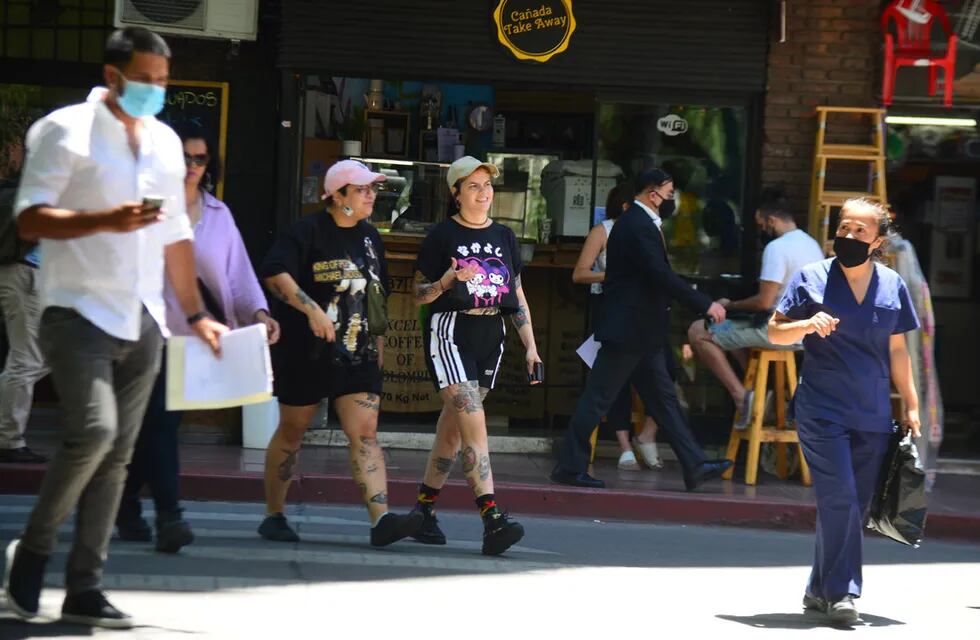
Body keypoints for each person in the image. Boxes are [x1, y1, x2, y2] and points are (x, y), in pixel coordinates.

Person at [2, 27, 227, 629]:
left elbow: (176, 236)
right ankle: (33, 553)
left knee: (116, 461)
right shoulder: (63, 130)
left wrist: (198, 314)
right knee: (93, 434)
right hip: (75, 309)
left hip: (144, 316)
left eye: (163, 80)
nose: (157, 90)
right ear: (113, 76)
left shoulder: (164, 143)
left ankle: (85, 586)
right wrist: (107, 218)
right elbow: (29, 220)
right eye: (146, 79)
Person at [116, 125, 280, 553]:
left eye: (200, 158)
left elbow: (238, 275)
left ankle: (127, 503)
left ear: (210, 165)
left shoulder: (219, 215)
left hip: (195, 338)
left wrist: (259, 313)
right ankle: (169, 515)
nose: (191, 166)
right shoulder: (150, 208)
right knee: (160, 423)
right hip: (144, 330)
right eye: (183, 158)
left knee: (155, 424)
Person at [768, 197, 920, 624]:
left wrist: (911, 404)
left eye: (860, 231)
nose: (849, 236)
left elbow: (897, 350)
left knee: (855, 503)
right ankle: (842, 594)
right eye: (844, 227)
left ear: (878, 240)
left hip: (871, 411)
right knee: (840, 498)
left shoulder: (892, 285)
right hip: (821, 407)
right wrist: (804, 324)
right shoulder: (810, 278)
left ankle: (818, 588)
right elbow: (774, 332)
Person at [257, 159, 421, 547]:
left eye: (373, 190)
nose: (371, 196)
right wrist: (311, 309)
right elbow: (275, 272)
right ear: (338, 195)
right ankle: (274, 515)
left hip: (358, 353)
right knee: (292, 432)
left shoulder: (370, 237)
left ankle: (382, 520)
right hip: (306, 352)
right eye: (363, 190)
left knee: (365, 434)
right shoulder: (306, 231)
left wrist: (378, 344)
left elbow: (377, 295)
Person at [551, 168, 733, 490]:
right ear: (653, 194)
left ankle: (695, 465)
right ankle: (570, 466)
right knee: (598, 398)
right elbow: (659, 275)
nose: (672, 199)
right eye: (670, 193)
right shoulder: (637, 226)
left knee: (663, 400)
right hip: (628, 329)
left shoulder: (638, 223)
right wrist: (704, 303)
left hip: (640, 330)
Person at [410, 156, 541, 555]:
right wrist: (447, 281)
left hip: (492, 333)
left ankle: (423, 510)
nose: (484, 193)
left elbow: (516, 294)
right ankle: (492, 516)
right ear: (456, 194)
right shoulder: (441, 235)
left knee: (454, 429)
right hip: (452, 328)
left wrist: (530, 345)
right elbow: (418, 293)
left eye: (487, 186)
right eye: (473, 186)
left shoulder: (504, 236)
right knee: (474, 423)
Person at [687, 188, 824, 428]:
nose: (761, 231)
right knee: (732, 329)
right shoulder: (812, 245)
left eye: (762, 225)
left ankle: (742, 397)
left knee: (698, 330)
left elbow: (764, 302)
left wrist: (730, 305)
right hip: (804, 333)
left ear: (771, 221)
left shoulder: (777, 248)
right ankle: (764, 394)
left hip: (777, 331)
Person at [572, 183, 661, 470]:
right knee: (614, 382)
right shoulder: (604, 231)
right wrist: (612, 276)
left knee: (665, 376)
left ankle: (648, 435)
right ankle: (624, 447)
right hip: (612, 310)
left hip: (646, 313)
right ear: (626, 207)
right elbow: (580, 274)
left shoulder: (652, 231)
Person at [0, 109, 49, 464]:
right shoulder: (30, 184)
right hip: (23, 273)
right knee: (25, 358)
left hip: (39, 277)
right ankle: (9, 439)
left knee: (41, 356)